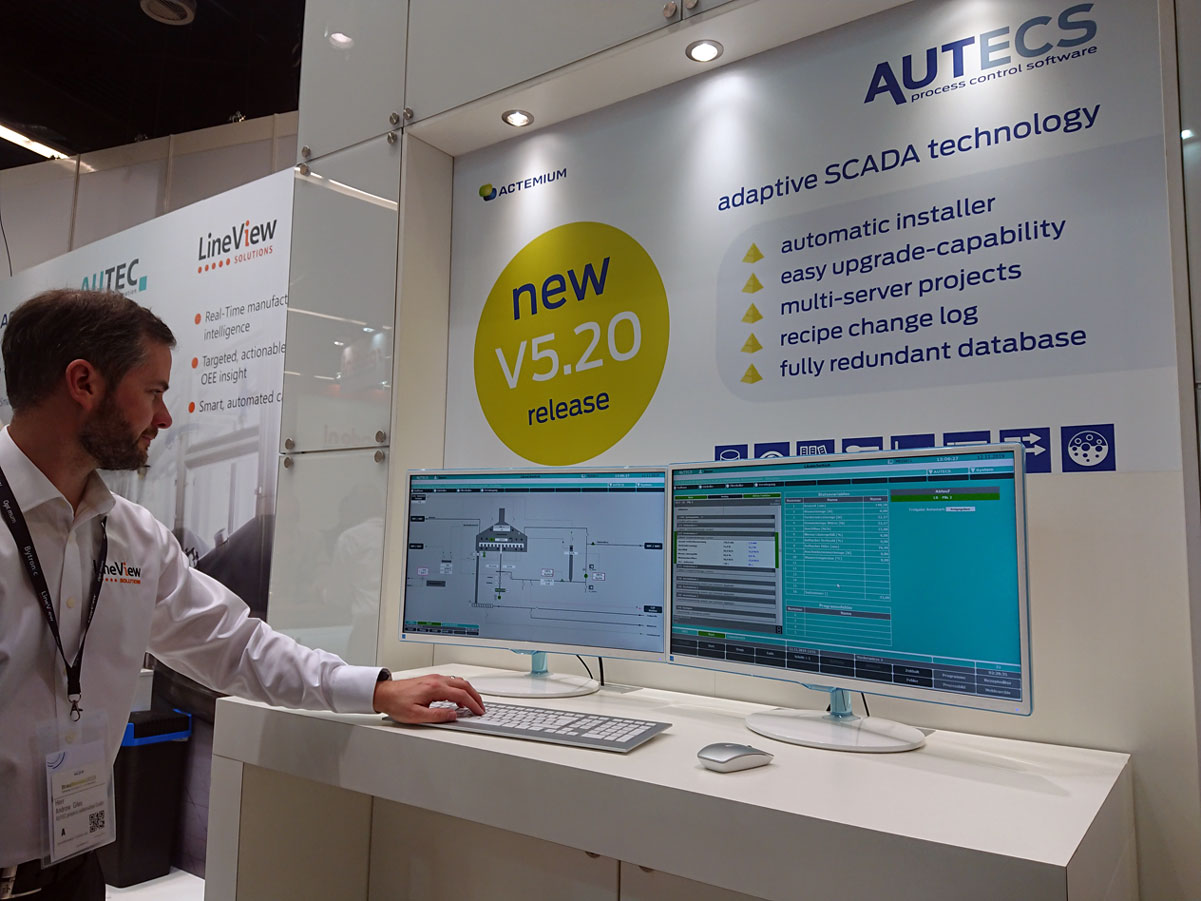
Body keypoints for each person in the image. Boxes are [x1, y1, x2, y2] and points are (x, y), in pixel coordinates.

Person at [0, 289, 484, 900]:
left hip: (73, 874)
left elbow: (234, 646)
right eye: (154, 392)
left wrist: (374, 689)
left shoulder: (131, 536)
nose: (165, 418)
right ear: (84, 383)